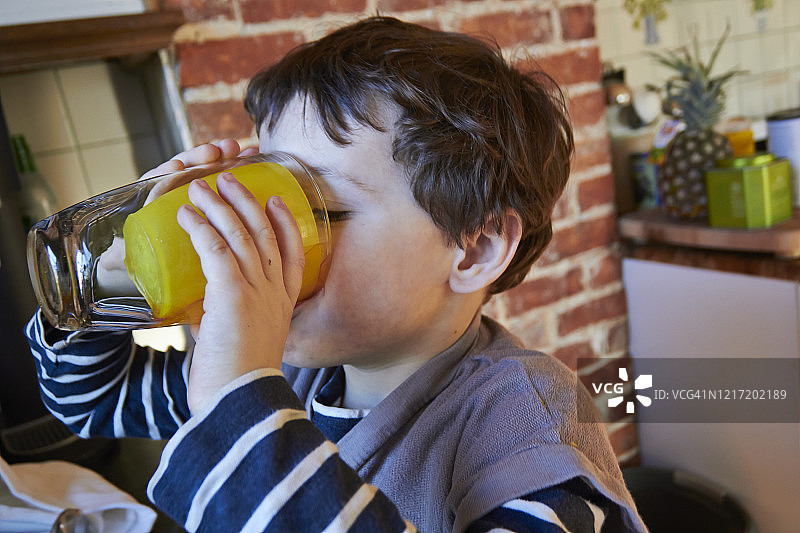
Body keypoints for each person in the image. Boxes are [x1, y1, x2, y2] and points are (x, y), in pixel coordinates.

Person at [26, 16, 647, 533]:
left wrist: (236, 395)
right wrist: (110, 267)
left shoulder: (530, 430)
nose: (271, 237)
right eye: (266, 185)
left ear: (473, 248)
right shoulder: (296, 372)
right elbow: (87, 401)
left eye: (316, 209)